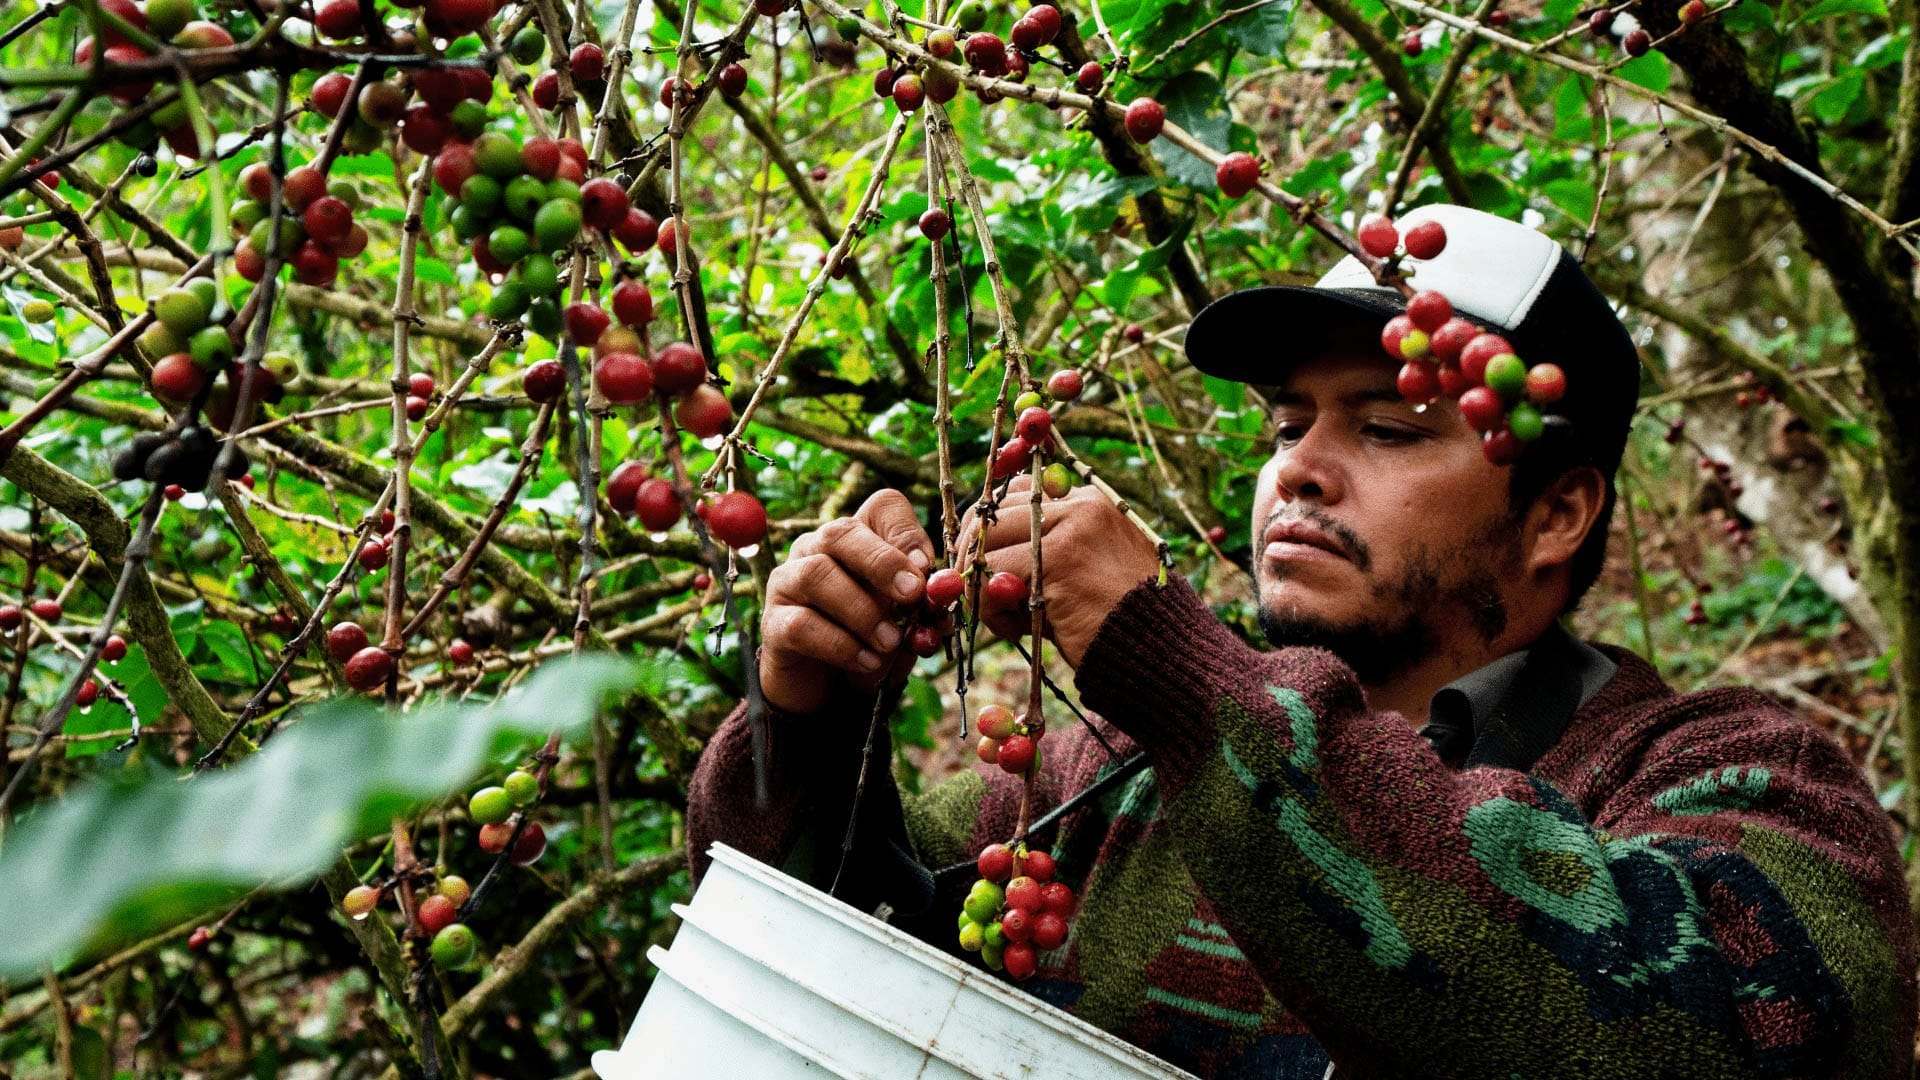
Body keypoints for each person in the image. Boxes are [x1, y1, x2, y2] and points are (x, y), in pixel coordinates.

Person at [686, 205, 1916, 1077]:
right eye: (1285, 426)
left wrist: (1176, 670)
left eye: (1386, 429)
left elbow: (1687, 1036)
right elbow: (836, 971)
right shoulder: (1100, 783)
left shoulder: (1739, 781)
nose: (1300, 474)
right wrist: (805, 726)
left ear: (1556, 514)